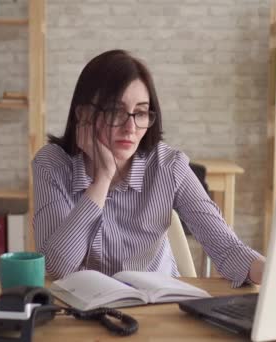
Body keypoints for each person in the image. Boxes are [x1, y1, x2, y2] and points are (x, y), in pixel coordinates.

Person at [32, 49, 264, 287]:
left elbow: (226, 247)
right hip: (83, 310)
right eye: (115, 112)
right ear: (83, 115)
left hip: (157, 306)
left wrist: (270, 271)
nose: (130, 128)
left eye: (141, 113)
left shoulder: (169, 166)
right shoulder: (52, 165)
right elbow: (56, 267)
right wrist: (101, 181)